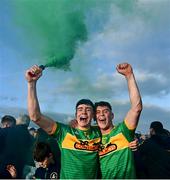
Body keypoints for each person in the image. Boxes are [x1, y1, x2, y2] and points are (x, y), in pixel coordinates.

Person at [25, 65, 101, 179]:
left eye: (88, 109)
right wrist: (31, 84)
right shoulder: (64, 132)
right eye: (80, 109)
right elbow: (35, 117)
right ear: (76, 115)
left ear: (93, 116)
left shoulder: (100, 132)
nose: (84, 112)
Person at [94, 63, 142, 179]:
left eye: (105, 111)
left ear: (112, 115)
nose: (101, 114)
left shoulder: (123, 131)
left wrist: (129, 76)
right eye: (98, 112)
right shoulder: (92, 139)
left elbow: (136, 108)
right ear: (95, 118)